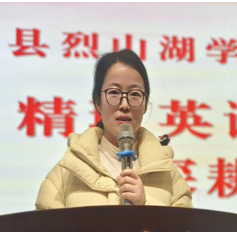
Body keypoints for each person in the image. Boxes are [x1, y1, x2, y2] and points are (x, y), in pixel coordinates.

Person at [35, 49, 193, 209]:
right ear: (98, 102)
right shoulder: (66, 172)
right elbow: (44, 224)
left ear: (145, 104)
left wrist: (145, 204)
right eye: (114, 92)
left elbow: (186, 225)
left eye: (135, 94)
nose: (124, 105)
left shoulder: (170, 175)